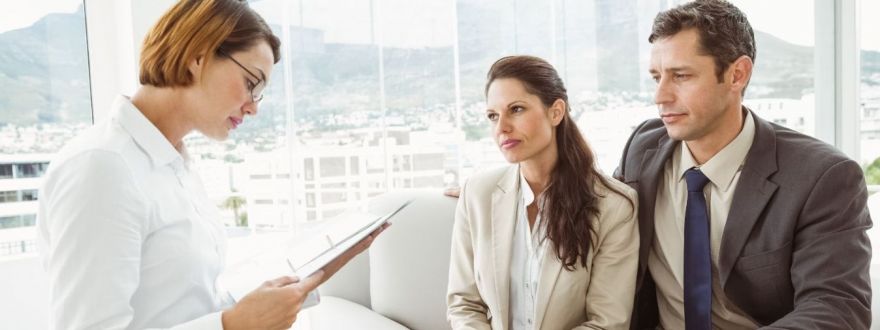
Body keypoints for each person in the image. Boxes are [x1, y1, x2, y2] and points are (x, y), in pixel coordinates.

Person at [36, 1, 387, 329]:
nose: (253, 108)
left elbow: (189, 303)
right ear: (197, 56)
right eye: (251, 84)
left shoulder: (173, 165)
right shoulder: (103, 167)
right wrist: (232, 325)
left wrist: (311, 272)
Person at [613, 0, 872, 329]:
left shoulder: (822, 176)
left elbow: (837, 307)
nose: (660, 96)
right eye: (656, 77)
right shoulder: (643, 147)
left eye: (680, 76)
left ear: (737, 74)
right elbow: (600, 232)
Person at [446, 55, 639, 329]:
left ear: (556, 112)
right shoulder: (478, 194)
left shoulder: (614, 206)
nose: (501, 128)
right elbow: (463, 304)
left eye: (516, 109)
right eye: (493, 116)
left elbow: (606, 322)